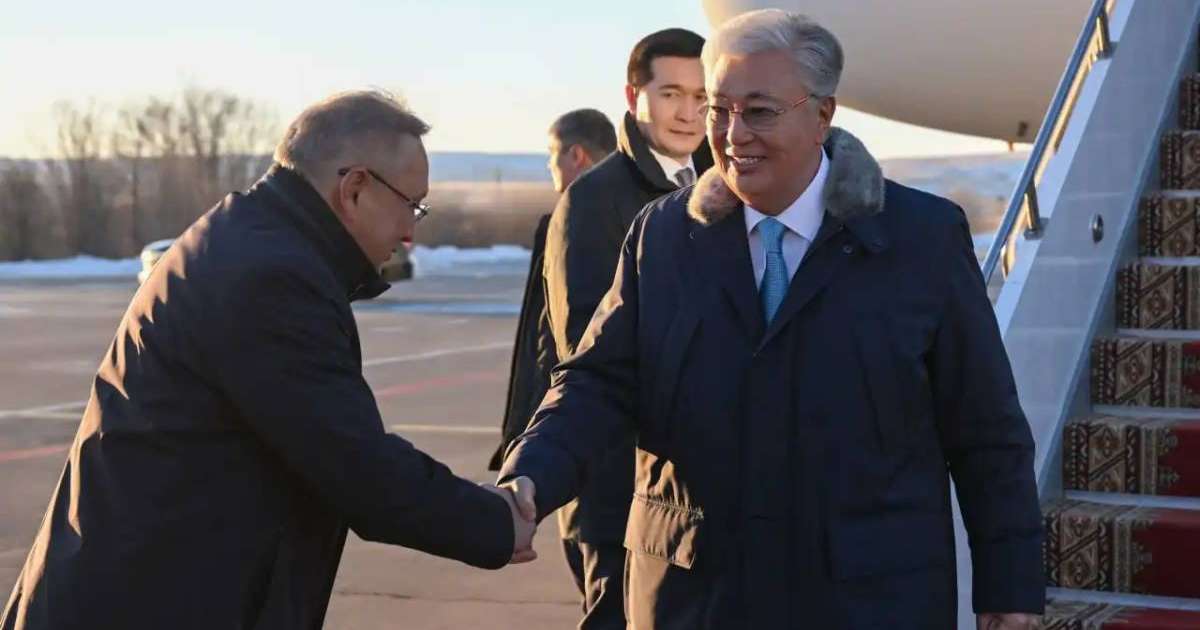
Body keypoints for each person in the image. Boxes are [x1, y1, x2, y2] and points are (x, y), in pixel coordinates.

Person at [498, 11, 1043, 630]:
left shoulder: (922, 240)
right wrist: (529, 478)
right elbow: (596, 383)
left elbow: (986, 430)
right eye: (719, 110)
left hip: (866, 599)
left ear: (822, 115)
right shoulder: (664, 235)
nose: (732, 135)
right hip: (695, 598)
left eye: (758, 112)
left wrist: (1010, 586)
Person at [1, 90, 535, 630]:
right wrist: (494, 523)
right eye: (411, 206)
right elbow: (356, 465)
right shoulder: (271, 278)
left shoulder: (253, 241)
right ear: (354, 189)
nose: (410, 233)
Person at [538, 28, 713, 630]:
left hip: (702, 496)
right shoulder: (593, 201)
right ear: (634, 96)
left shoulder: (730, 183)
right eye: (670, 94)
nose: (689, 113)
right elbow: (587, 353)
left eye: (701, 95)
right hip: (620, 496)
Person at [490, 108, 616, 474]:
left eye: (551, 153)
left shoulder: (575, 221)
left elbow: (551, 341)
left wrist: (530, 431)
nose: (549, 165)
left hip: (573, 431)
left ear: (576, 155)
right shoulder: (647, 212)